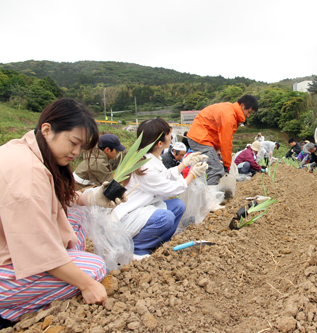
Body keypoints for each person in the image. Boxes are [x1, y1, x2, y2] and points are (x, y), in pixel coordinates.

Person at [0, 98, 125, 325]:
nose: (76, 152)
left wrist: (91, 198)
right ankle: (11, 315)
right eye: (73, 143)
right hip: (7, 270)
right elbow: (37, 248)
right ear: (47, 130)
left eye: (81, 147)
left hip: (13, 244)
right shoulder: (26, 174)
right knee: (94, 269)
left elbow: (57, 199)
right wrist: (87, 284)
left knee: (78, 214)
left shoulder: (30, 150)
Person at [113, 118, 208, 260]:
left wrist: (184, 164)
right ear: (159, 143)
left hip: (144, 208)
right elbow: (171, 189)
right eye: (169, 134)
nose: (171, 137)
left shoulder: (150, 158)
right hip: (130, 215)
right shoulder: (145, 167)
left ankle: (159, 242)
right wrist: (192, 175)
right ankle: (137, 248)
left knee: (178, 206)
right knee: (166, 218)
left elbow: (164, 175)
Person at [187, 95, 258, 187]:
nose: (248, 115)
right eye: (248, 112)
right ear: (242, 105)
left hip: (202, 137)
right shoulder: (229, 115)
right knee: (216, 170)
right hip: (200, 138)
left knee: (211, 167)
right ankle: (211, 198)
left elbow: (225, 137)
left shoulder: (230, 110)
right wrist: (227, 163)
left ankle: (207, 192)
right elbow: (226, 141)